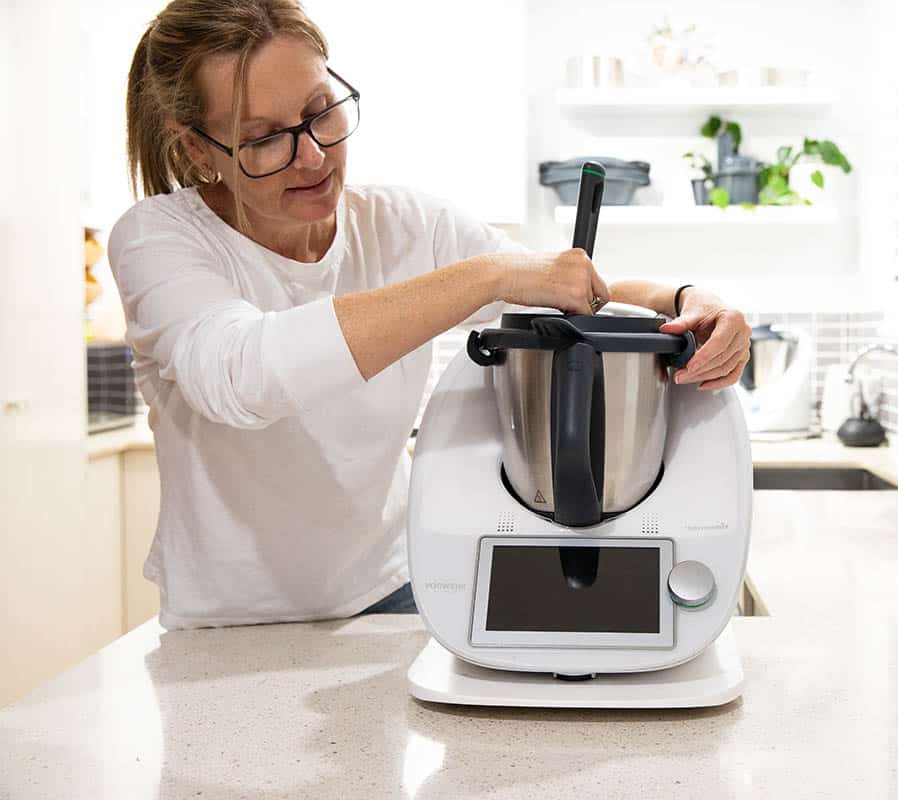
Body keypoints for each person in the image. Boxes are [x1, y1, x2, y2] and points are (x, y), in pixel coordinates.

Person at [110, 0, 752, 630]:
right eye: (265, 138)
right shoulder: (159, 239)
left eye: (318, 113)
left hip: (395, 594)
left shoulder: (405, 224)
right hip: (231, 627)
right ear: (199, 150)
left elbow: (566, 287)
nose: (312, 155)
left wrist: (688, 301)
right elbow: (241, 377)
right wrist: (486, 275)